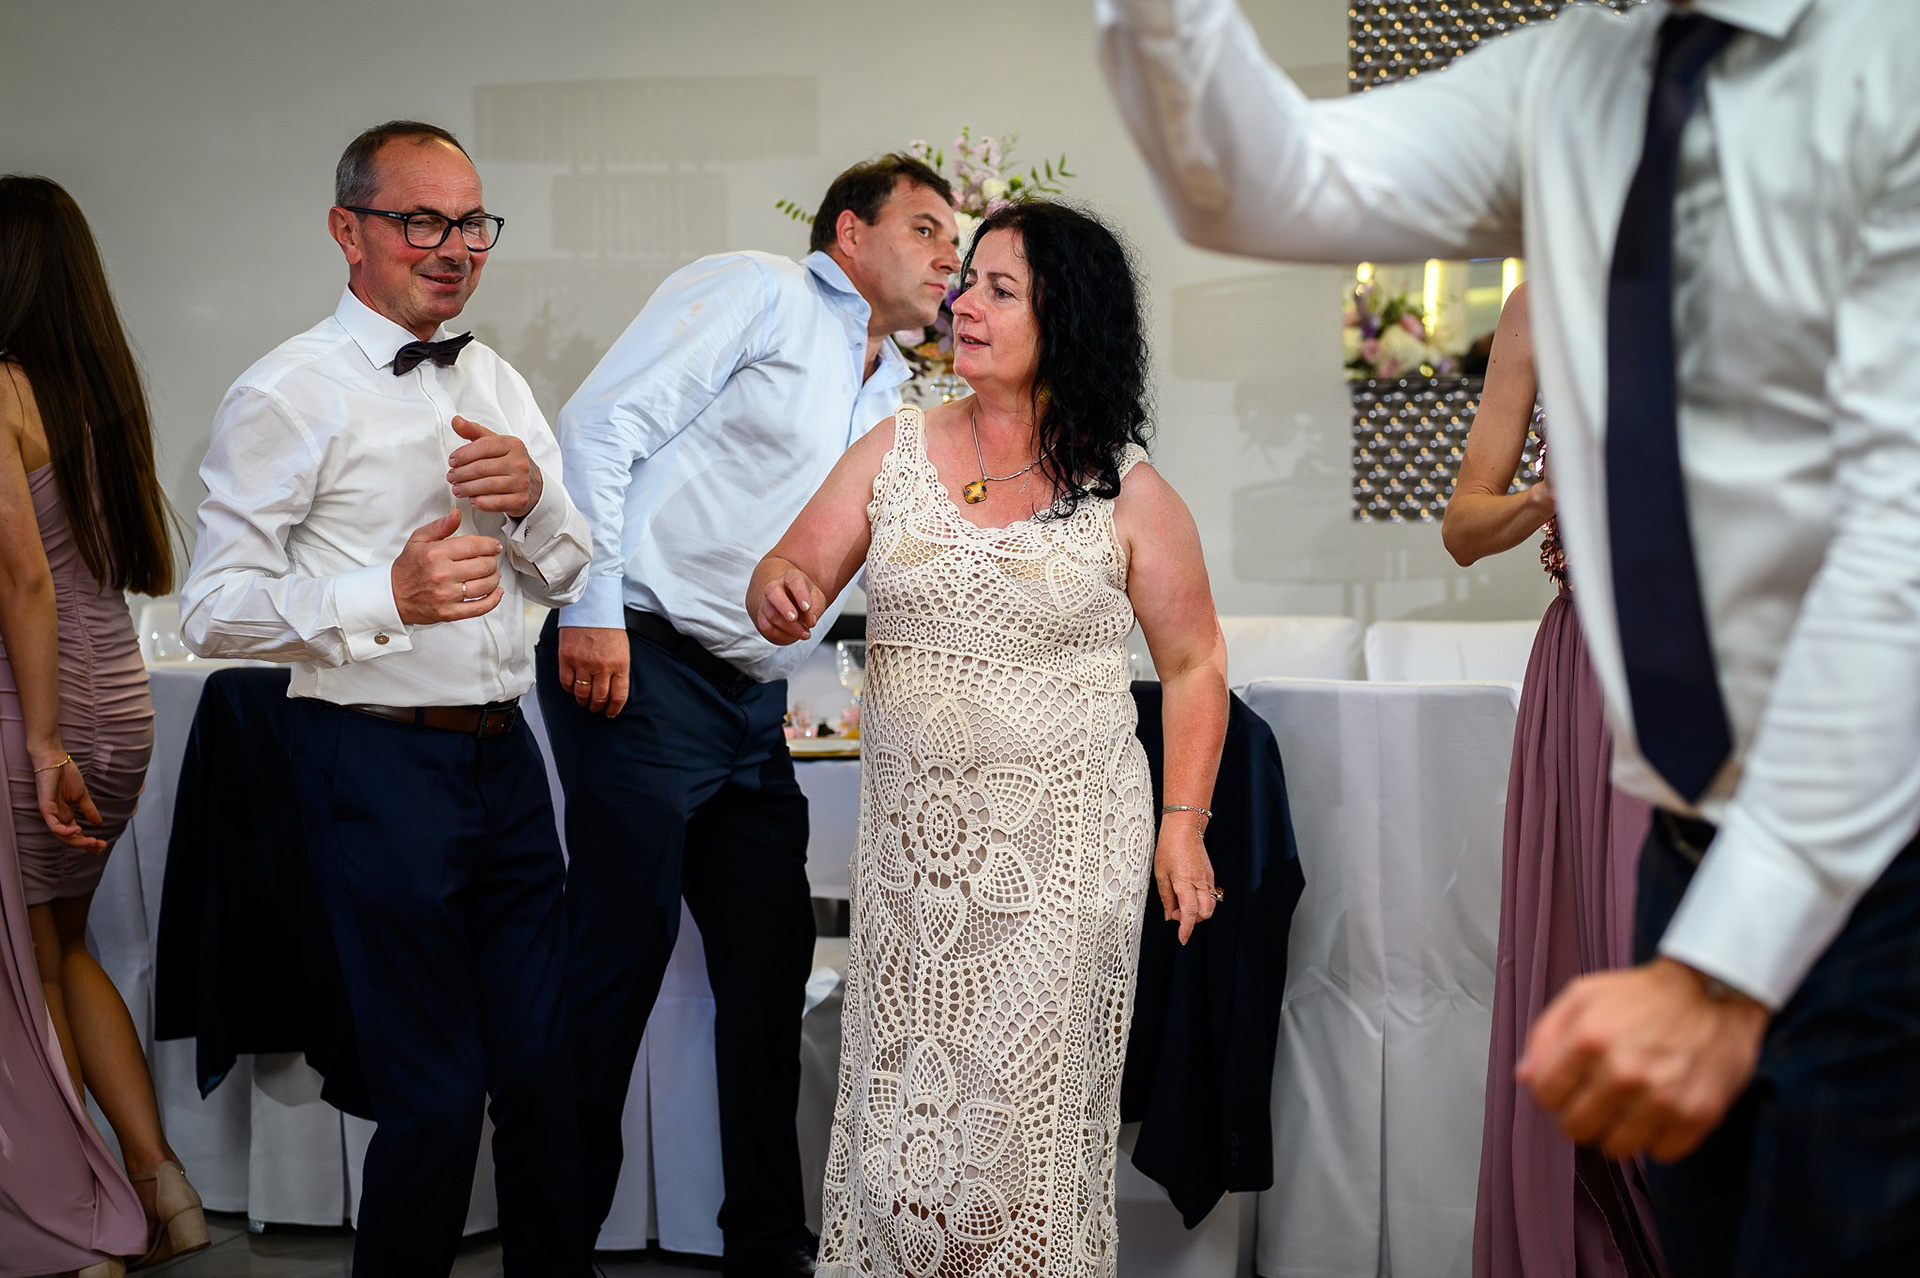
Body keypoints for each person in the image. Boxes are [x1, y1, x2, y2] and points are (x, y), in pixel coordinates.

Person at [1100, 0, 1920, 1271]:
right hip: (1679, 814)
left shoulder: (1890, 59)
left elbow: (1895, 552)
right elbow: (1264, 181)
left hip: (1869, 835)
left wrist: (1724, 966)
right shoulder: (1578, 77)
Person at [749, 199, 1230, 1277]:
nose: (963, 303)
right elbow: (790, 568)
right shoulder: (893, 449)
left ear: (1068, 322)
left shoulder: (1128, 492)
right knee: (902, 1147)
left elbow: (1196, 662)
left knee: (1017, 1144)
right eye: (967, 281)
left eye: (999, 290)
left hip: (1062, 869)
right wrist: (779, 589)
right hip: (918, 865)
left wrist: (1183, 825)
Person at [179, 121, 593, 1277]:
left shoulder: (497, 377)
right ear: (346, 230)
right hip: (370, 762)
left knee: (545, 1072)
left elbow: (566, 570)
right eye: (421, 221)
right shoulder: (286, 391)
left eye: (470, 223)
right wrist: (385, 595)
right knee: (435, 1095)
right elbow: (212, 609)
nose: (453, 247)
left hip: (506, 757)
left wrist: (535, 505)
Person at [539, 153, 959, 1276]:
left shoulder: (895, 393)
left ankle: (766, 1251)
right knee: (614, 969)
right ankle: (551, 1255)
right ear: (849, 233)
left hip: (745, 700)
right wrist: (590, 609)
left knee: (771, 975)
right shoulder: (760, 288)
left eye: (955, 240)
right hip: (638, 658)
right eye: (924, 227)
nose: (947, 257)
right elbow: (598, 424)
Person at [0, 175, 200, 1278]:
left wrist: (39, 743)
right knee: (65, 951)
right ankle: (163, 1189)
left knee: (29, 974)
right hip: (117, 695)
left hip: (36, 708)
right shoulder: (96, 390)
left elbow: (21, 581)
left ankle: (83, 1225)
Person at [1444, 283, 1660, 1278]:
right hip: (1591, 678)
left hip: (1730, 667)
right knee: (1597, 954)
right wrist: (1541, 499)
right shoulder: (1540, 307)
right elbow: (1464, 525)